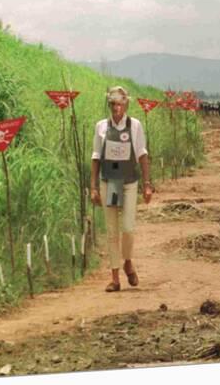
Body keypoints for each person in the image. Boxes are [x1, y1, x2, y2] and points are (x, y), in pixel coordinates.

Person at [90, 86, 152, 292]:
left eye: (120, 103)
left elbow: (142, 155)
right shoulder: (101, 127)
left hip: (129, 182)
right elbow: (96, 157)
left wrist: (147, 184)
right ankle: (115, 277)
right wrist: (93, 187)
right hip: (110, 182)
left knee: (127, 228)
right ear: (109, 105)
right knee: (111, 231)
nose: (116, 107)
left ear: (126, 104)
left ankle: (127, 262)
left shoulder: (134, 126)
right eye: (113, 104)